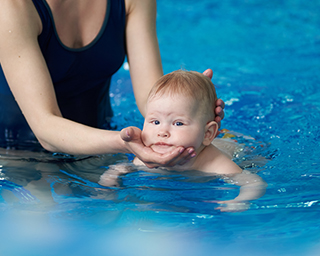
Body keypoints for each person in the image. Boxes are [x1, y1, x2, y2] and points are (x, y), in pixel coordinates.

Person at [0, 0, 224, 168]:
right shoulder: (12, 7)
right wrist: (124, 142)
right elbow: (45, 128)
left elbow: (150, 100)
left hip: (102, 147)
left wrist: (190, 103)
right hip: (15, 156)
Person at [100, 70, 266, 212]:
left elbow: (254, 183)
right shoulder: (147, 157)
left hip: (237, 149)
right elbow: (121, 168)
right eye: (155, 122)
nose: (162, 132)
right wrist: (110, 180)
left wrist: (238, 202)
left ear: (208, 134)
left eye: (178, 123)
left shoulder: (215, 164)